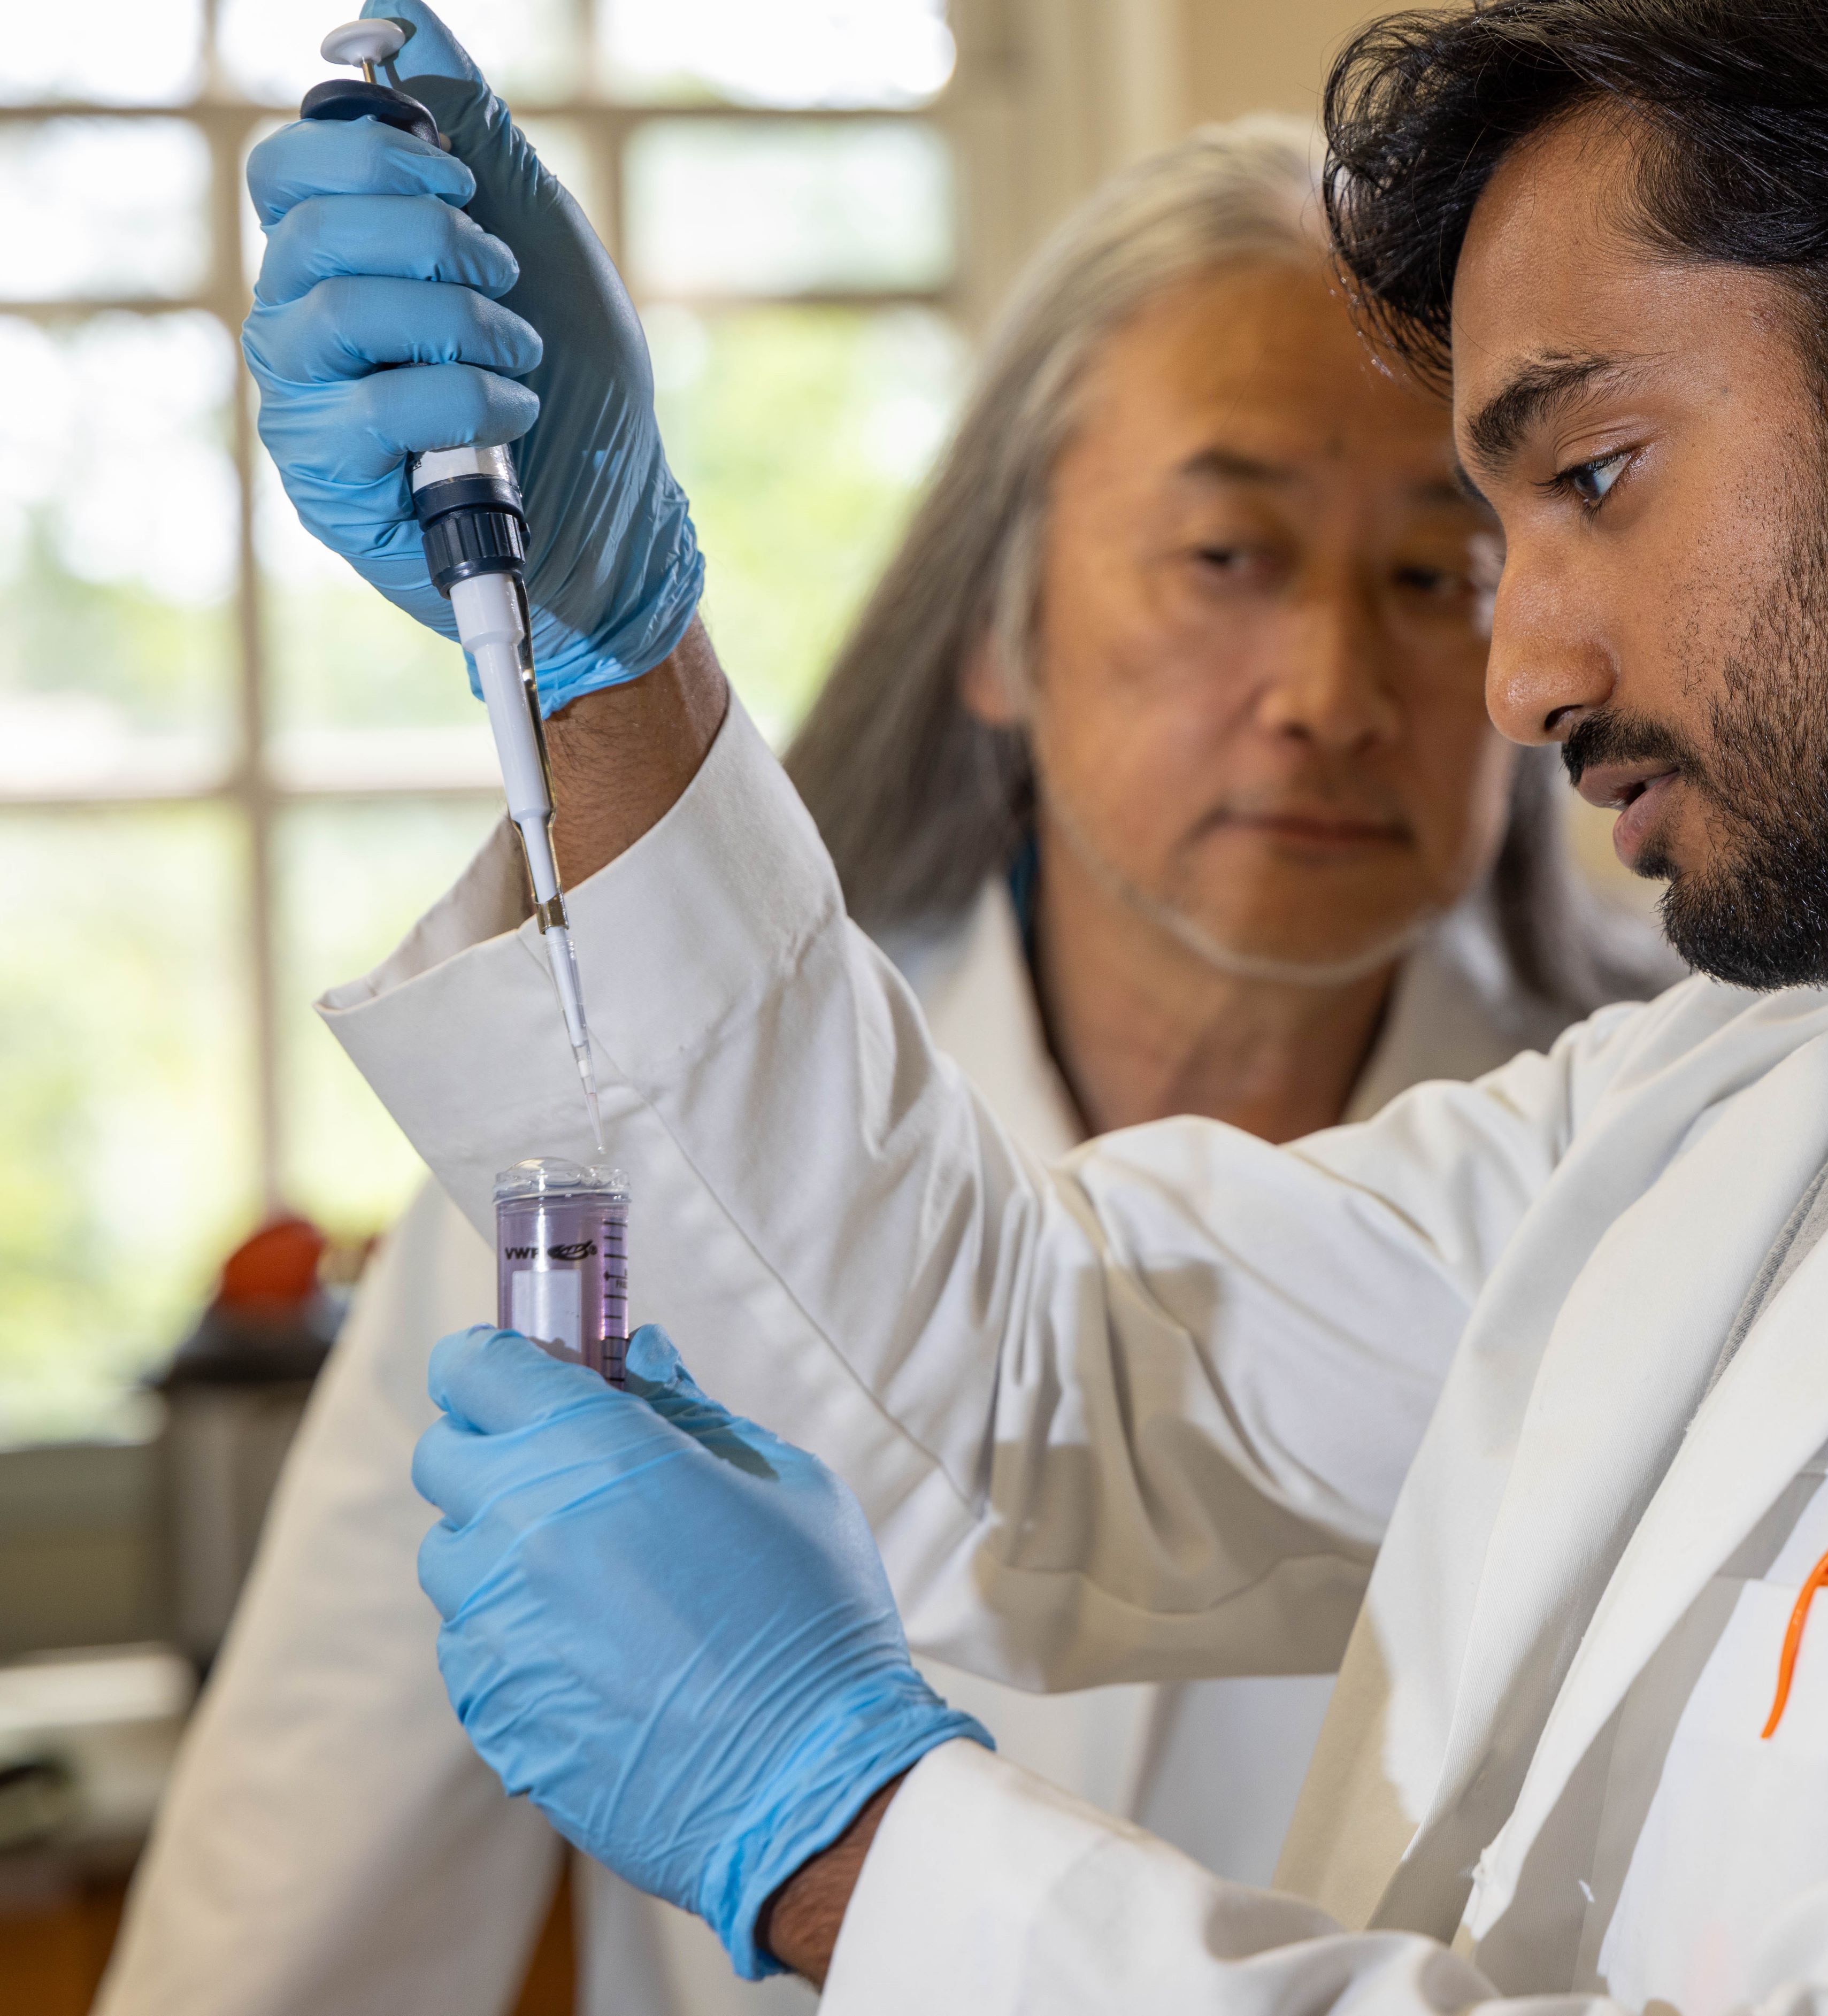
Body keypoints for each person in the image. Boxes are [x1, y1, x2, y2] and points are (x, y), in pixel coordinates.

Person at [263, 1, 1828, 2010]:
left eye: (1589, 478)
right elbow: (1049, 1382)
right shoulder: (1784, 1060)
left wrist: (854, 1842)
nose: (1516, 676)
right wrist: (615, 655)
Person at [98, 110, 1663, 2016]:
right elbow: (304, 1909)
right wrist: (605, 648)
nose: (1332, 691)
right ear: (997, 627)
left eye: (1438, 577)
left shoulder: (1653, 1171)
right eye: (1227, 549)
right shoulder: (607, 1153)